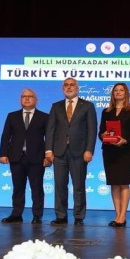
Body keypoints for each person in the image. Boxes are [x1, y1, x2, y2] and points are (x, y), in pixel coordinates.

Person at [44, 78, 97, 226]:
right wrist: (48, 150)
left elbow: (92, 130)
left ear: (77, 88)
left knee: (78, 186)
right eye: (66, 85)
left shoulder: (87, 106)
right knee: (60, 185)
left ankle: (79, 216)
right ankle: (61, 216)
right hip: (59, 152)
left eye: (72, 85)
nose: (69, 87)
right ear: (63, 88)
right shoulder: (56, 106)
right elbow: (50, 130)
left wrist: (89, 150)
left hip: (79, 152)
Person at [0, 88, 49, 225]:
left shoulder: (44, 117)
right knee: (18, 188)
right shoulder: (12, 116)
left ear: (36, 100)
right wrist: (3, 154)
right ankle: (16, 214)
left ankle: (37, 215)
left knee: (37, 188)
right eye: (23, 96)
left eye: (30, 96)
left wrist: (48, 156)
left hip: (37, 158)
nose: (26, 98)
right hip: (16, 157)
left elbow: (49, 138)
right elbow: (5, 136)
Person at [98, 83, 130, 227]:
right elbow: (100, 132)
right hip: (109, 151)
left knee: (123, 182)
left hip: (125, 151)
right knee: (114, 183)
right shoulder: (106, 111)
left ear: (126, 93)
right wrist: (103, 135)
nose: (118, 92)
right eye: (115, 90)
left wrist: (125, 140)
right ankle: (117, 215)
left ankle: (123, 216)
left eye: (121, 90)